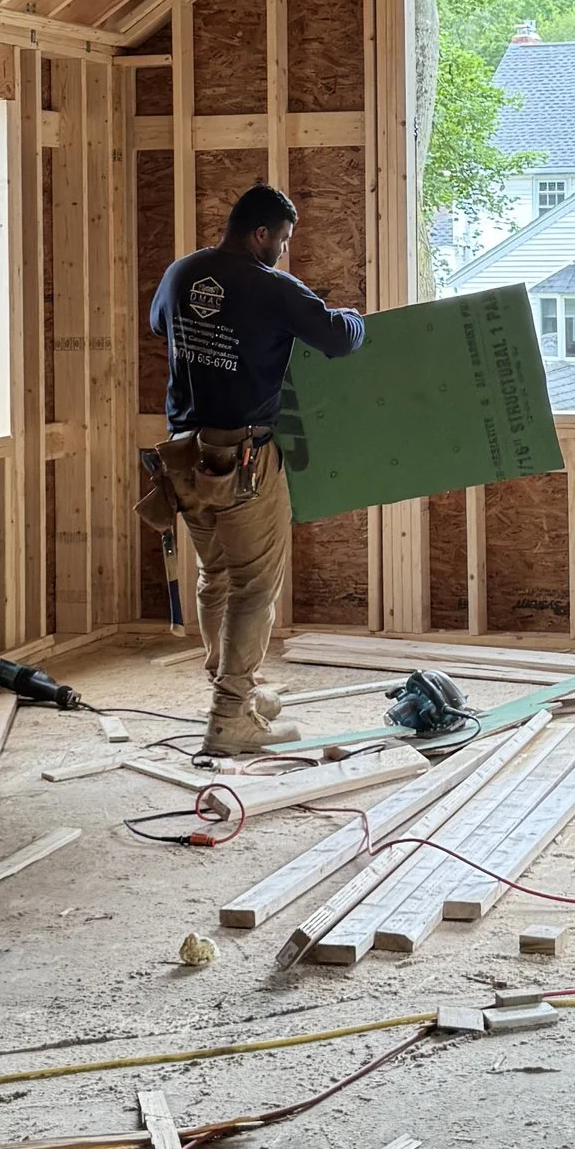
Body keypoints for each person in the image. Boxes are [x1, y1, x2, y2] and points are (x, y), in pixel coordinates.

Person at [146, 184, 364, 759]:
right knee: (254, 585)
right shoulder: (271, 287)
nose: (284, 251)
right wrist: (354, 319)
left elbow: (160, 326)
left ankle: (230, 688)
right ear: (260, 233)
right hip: (242, 459)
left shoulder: (181, 273)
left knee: (216, 573)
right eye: (283, 240)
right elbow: (338, 339)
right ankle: (229, 717)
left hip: (184, 456)